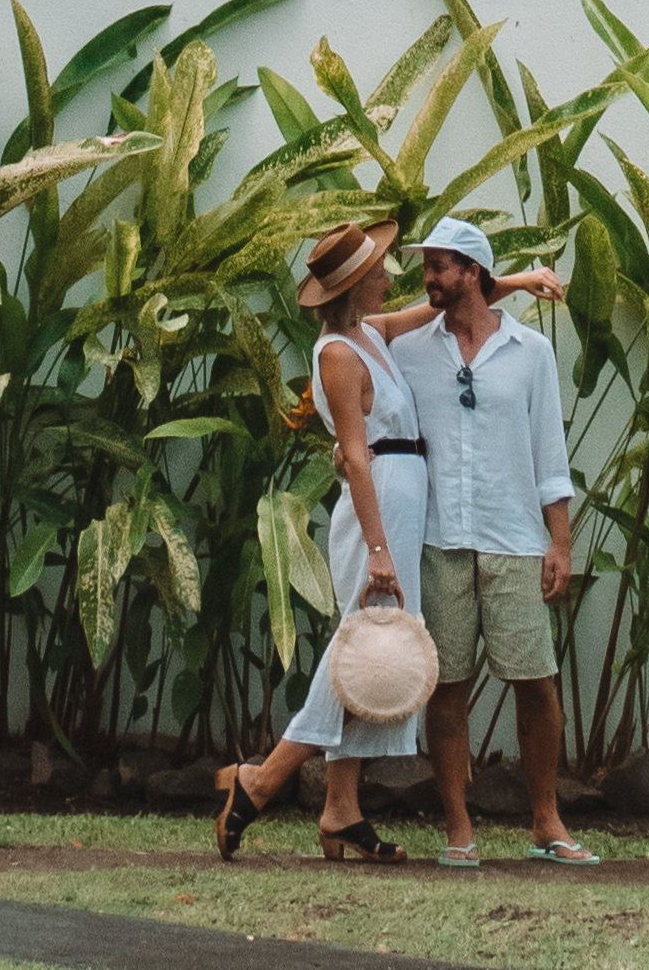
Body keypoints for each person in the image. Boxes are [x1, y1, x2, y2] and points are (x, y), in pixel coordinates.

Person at [213, 221, 567, 867]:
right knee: (357, 646)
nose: (389, 275)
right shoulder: (338, 354)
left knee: (375, 646)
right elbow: (352, 453)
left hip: (404, 502)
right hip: (378, 508)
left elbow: (445, 300)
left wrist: (515, 279)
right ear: (355, 283)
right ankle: (261, 779)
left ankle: (341, 807)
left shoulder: (368, 333)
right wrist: (377, 547)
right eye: (378, 269)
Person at [392, 212, 598, 868]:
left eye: (437, 266)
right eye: (425, 265)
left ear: (469, 272)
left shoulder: (529, 352)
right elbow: (353, 335)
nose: (426, 277)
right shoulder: (410, 346)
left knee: (536, 681)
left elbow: (550, 452)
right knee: (446, 686)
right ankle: (458, 826)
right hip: (438, 537)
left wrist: (559, 542)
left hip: (513, 537)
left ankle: (545, 818)